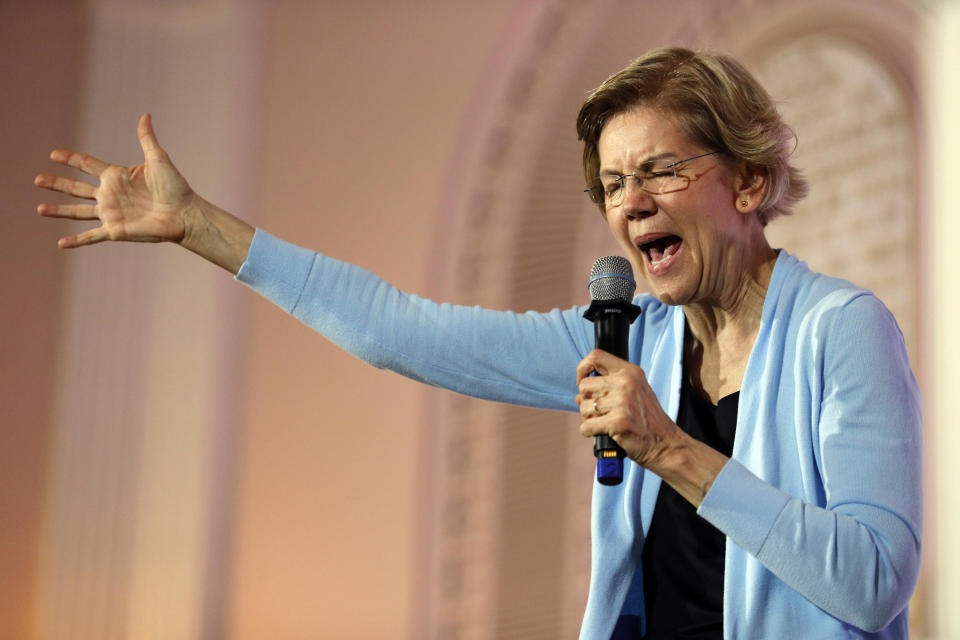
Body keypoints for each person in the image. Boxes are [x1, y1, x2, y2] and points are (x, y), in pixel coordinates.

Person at [35, 47, 922, 639]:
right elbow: (401, 332)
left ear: (751, 179)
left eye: (660, 170)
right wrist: (199, 229)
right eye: (614, 183)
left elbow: (875, 581)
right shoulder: (631, 342)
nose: (630, 203)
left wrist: (670, 450)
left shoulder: (840, 332)